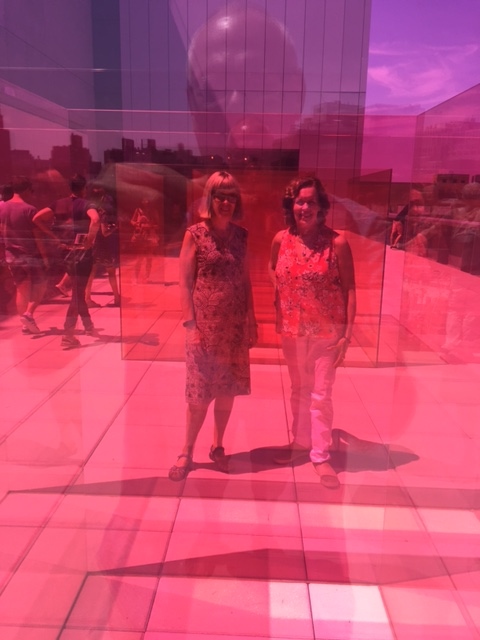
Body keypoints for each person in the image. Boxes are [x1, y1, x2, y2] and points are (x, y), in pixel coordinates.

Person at [168, 170, 258, 481]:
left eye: (231, 196)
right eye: (220, 195)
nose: (226, 202)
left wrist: (252, 320)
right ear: (210, 198)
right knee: (198, 395)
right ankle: (186, 450)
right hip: (203, 331)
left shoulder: (242, 235)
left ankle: (218, 446)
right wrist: (190, 326)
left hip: (233, 330)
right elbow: (184, 283)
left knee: (227, 391)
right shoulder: (195, 234)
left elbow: (245, 281)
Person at [269, 176, 356, 488]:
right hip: (292, 331)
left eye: (311, 201)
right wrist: (282, 300)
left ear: (322, 208)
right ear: (291, 205)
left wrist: (346, 335)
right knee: (298, 389)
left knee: (320, 394)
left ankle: (320, 455)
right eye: (299, 201)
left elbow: (349, 289)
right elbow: (272, 268)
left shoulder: (337, 243)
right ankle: (300, 443)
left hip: (326, 333)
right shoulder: (281, 240)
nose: (304, 206)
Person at [34, 174, 100, 348]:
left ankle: (88, 325)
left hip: (65, 252)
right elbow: (95, 219)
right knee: (78, 295)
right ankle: (68, 334)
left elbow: (37, 218)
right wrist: (90, 240)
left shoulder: (58, 203)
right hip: (81, 254)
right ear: (84, 189)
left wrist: (52, 236)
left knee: (78, 290)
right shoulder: (86, 204)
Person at [1, 176, 47, 334]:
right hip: (29, 254)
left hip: (11, 255)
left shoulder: (2, 208)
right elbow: (37, 236)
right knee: (41, 285)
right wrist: (45, 256)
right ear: (27, 189)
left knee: (21, 289)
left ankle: (24, 322)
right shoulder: (29, 209)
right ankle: (28, 315)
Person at [85, 185, 120, 307]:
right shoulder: (102, 212)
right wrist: (115, 227)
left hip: (94, 245)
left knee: (91, 273)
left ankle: (87, 298)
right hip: (104, 247)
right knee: (111, 272)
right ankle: (116, 297)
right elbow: (105, 232)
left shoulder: (91, 210)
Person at [130, 198, 158, 283]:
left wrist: (149, 226)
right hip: (140, 236)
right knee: (139, 258)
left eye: (147, 200)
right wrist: (137, 224)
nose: (145, 202)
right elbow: (132, 221)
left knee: (149, 258)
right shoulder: (138, 210)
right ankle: (136, 277)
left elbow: (158, 225)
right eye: (143, 200)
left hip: (150, 236)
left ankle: (147, 277)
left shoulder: (153, 211)